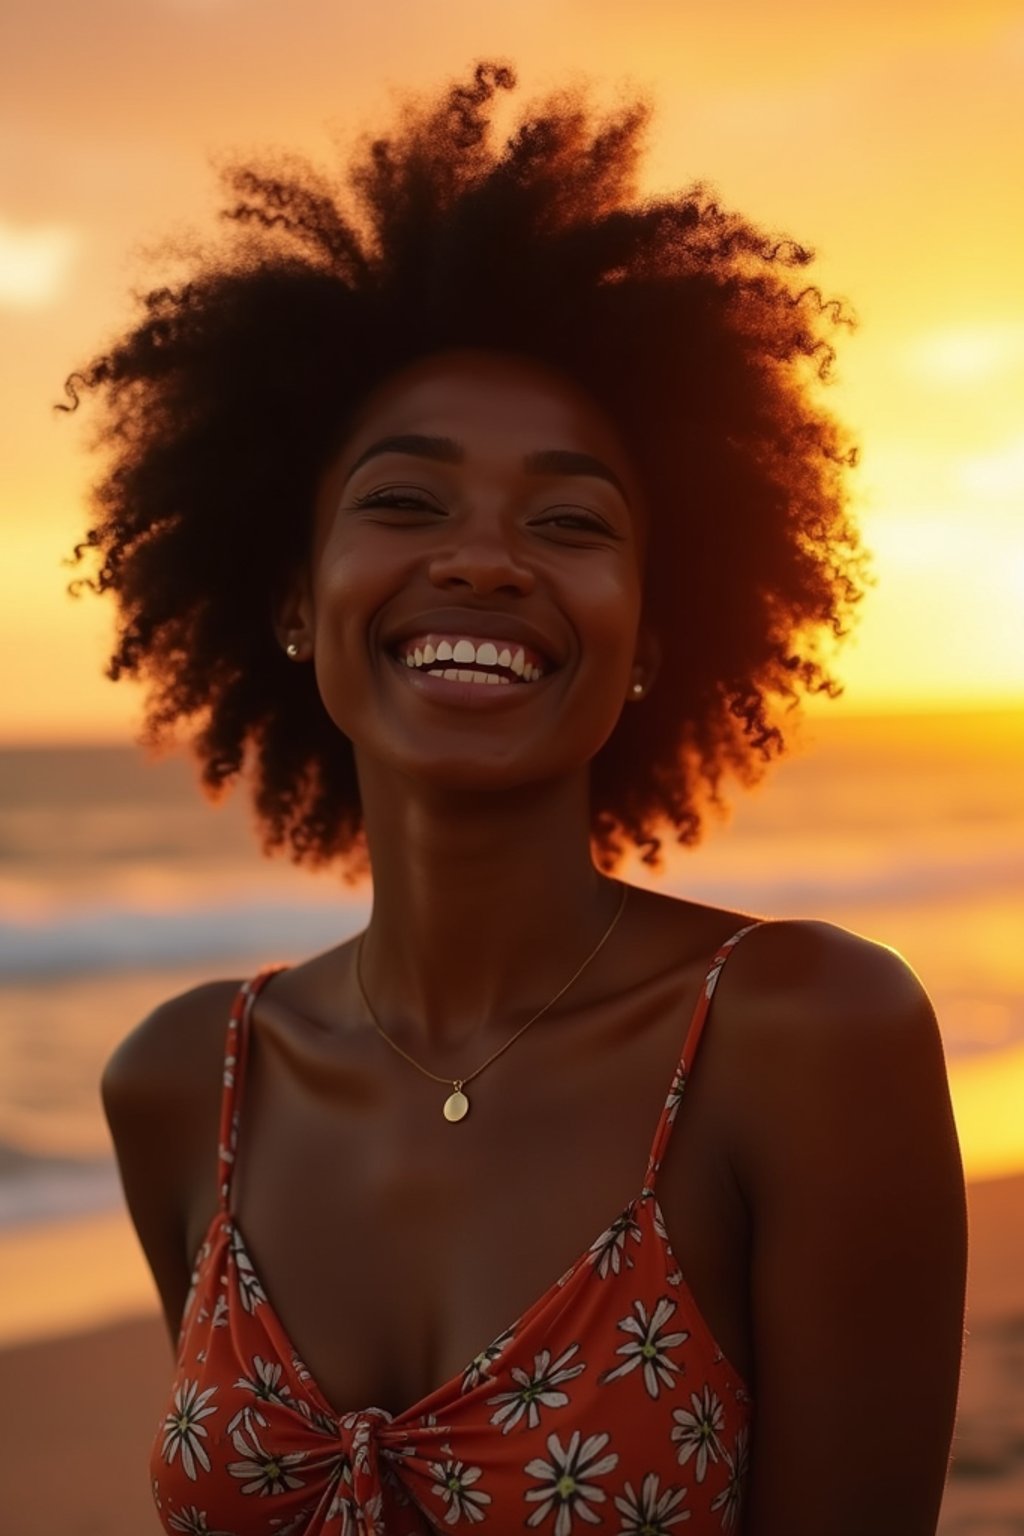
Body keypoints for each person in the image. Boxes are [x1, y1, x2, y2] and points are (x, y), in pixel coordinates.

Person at [63, 61, 967, 1536]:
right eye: (406, 502)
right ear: (294, 600)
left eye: (568, 521)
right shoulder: (184, 1085)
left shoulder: (805, 1037)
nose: (484, 560)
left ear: (652, 639)